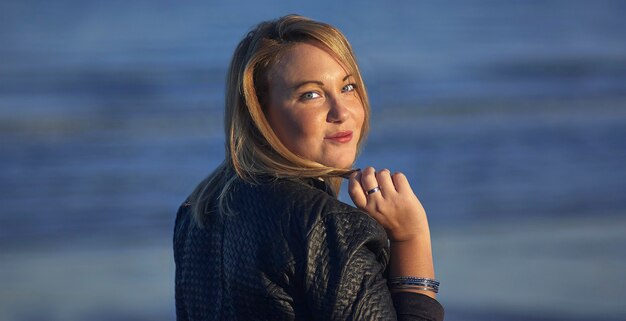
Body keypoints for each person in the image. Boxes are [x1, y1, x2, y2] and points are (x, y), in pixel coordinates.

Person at [174, 14, 444, 321]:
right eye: (310, 95)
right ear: (259, 113)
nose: (341, 112)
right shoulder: (329, 225)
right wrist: (411, 238)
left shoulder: (200, 211)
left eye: (348, 86)